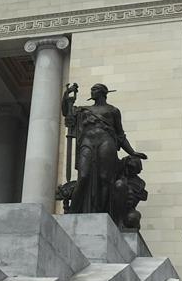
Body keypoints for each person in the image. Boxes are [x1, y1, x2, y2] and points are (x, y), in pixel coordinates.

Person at [62, 82, 147, 215]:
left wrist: (132, 152)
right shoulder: (83, 110)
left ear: (103, 92)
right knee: (83, 176)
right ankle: (73, 212)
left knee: (104, 178)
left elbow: (120, 135)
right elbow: (67, 112)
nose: (92, 92)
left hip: (106, 141)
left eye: (94, 89)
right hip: (87, 141)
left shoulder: (113, 111)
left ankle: (101, 213)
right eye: (91, 89)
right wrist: (67, 95)